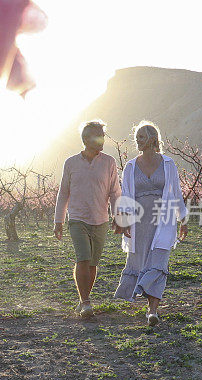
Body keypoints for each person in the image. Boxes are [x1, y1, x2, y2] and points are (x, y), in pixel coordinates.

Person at [114, 121, 188, 326]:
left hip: (163, 219)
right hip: (139, 221)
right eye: (136, 137)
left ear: (153, 140)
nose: (138, 141)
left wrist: (183, 219)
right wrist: (125, 221)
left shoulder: (168, 164)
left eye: (142, 137)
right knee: (141, 262)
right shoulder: (130, 166)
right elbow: (127, 195)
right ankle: (148, 305)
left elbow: (175, 193)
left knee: (158, 262)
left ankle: (152, 311)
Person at [54, 120, 122, 318]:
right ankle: (85, 302)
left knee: (92, 264)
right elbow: (63, 193)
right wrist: (58, 221)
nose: (102, 140)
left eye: (103, 135)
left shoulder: (109, 162)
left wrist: (117, 216)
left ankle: (83, 298)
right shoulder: (71, 163)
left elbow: (115, 192)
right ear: (85, 139)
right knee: (82, 258)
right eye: (97, 136)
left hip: (100, 219)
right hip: (77, 218)